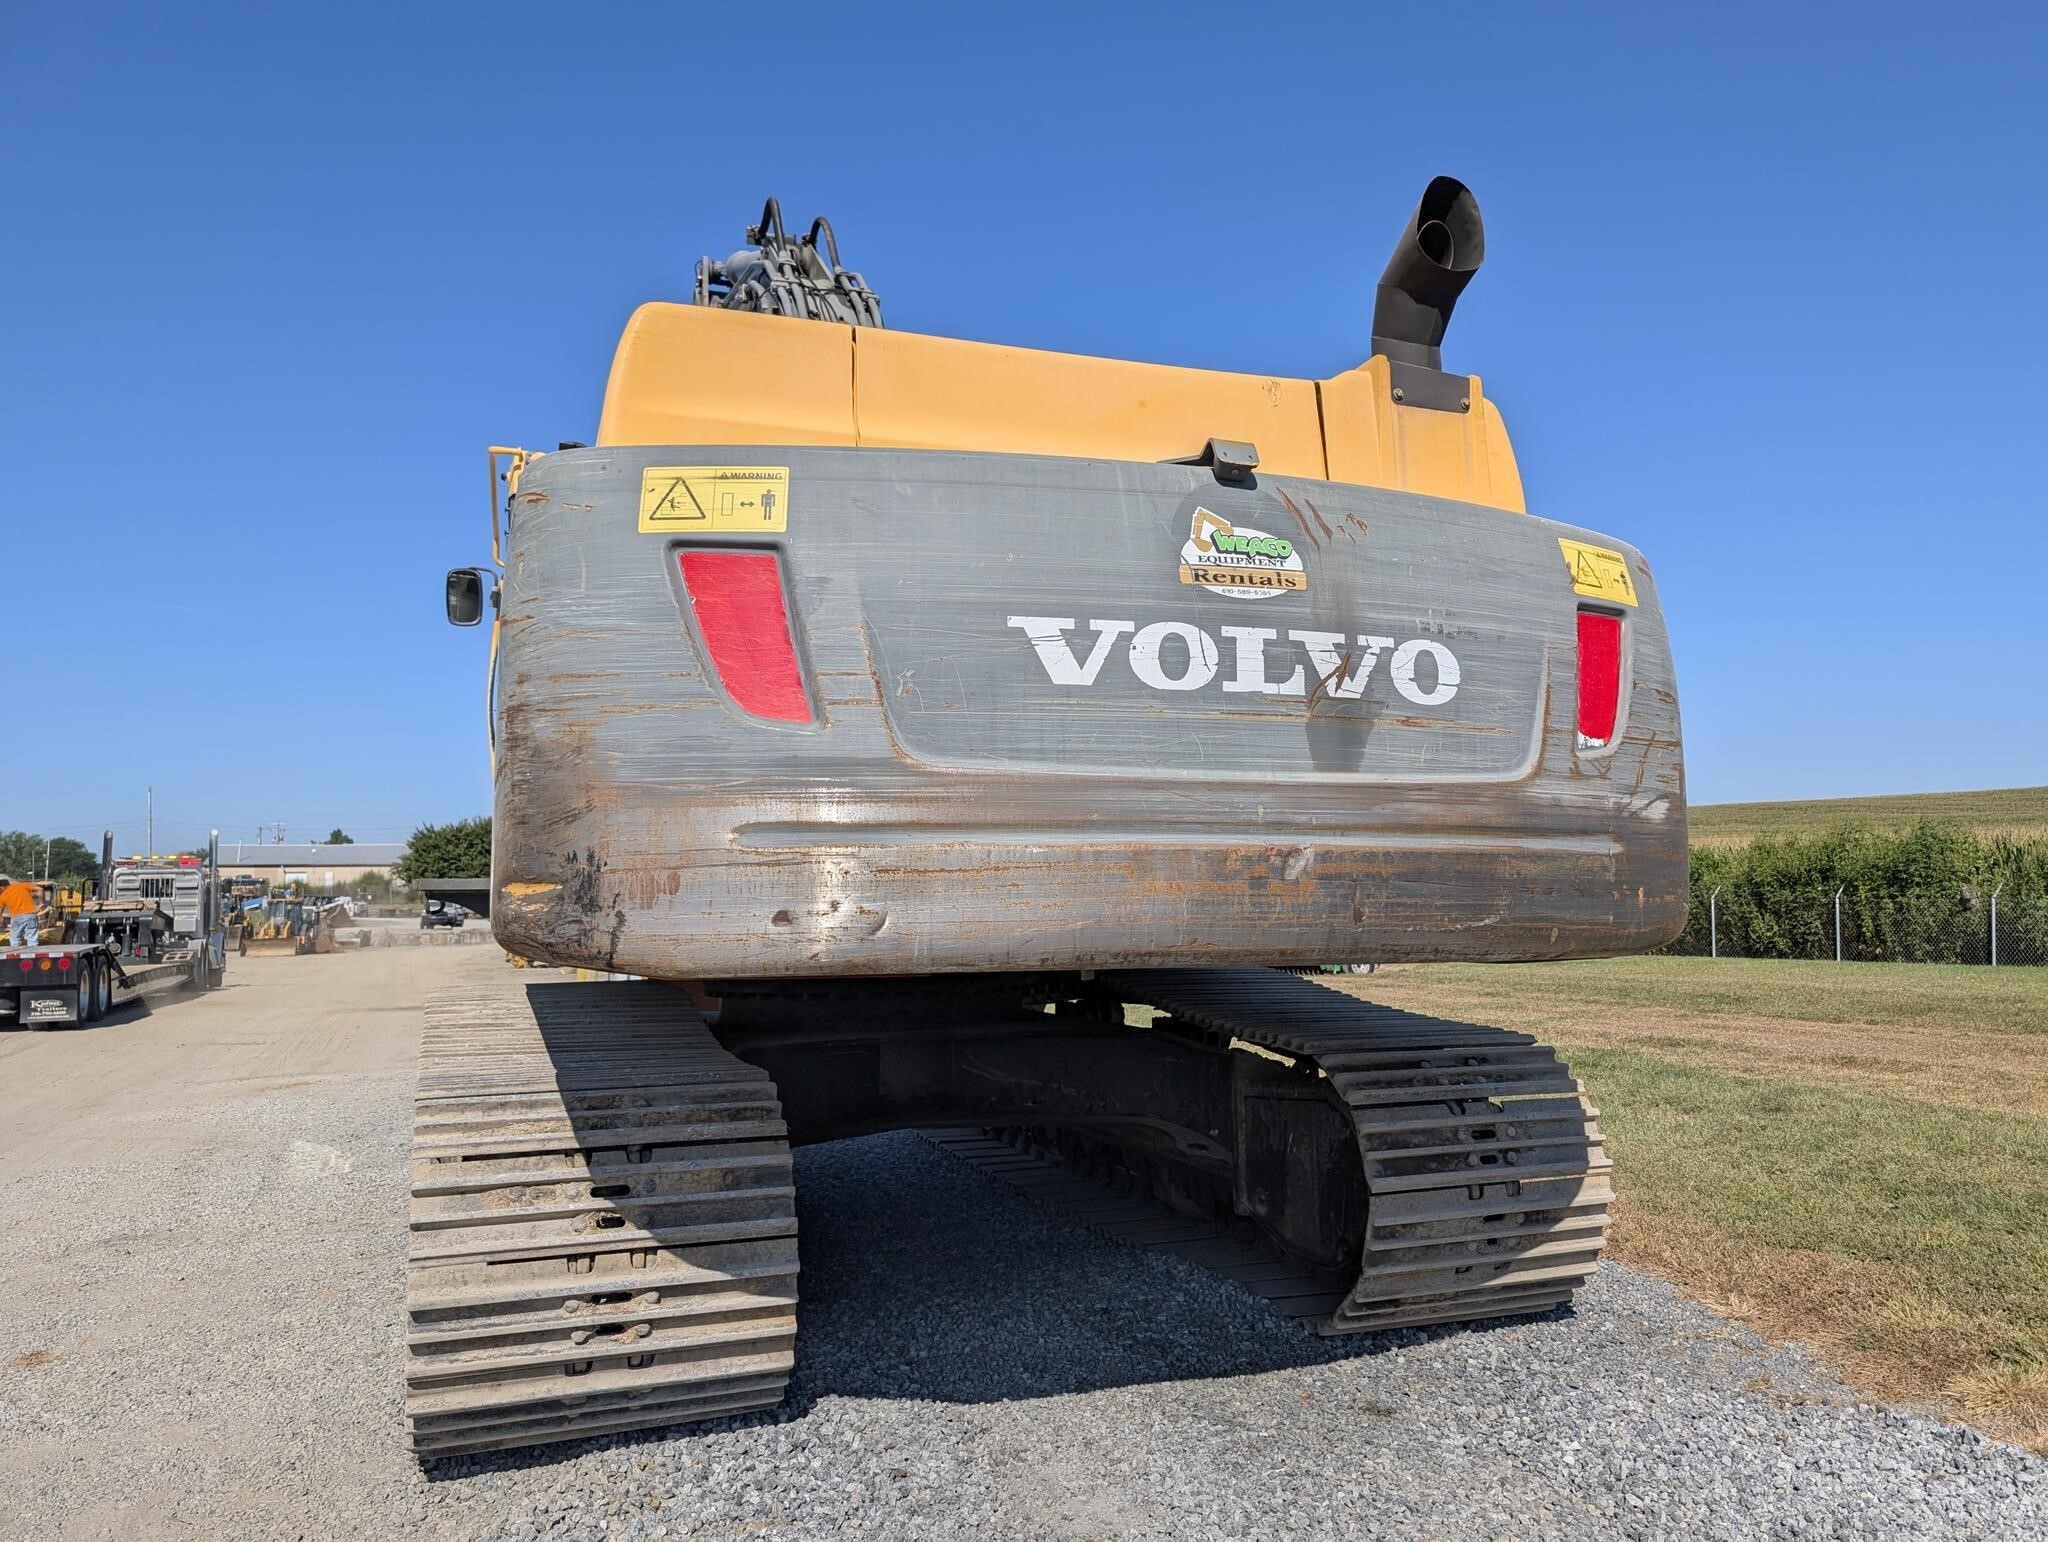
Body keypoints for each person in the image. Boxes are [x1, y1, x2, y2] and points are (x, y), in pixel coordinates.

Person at [0, 872, 40, 947]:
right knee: (32, 939)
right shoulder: (21, 886)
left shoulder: (2, 897)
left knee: (15, 941)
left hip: (17, 918)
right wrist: (40, 904)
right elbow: (39, 889)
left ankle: (15, 957)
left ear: (2, 887)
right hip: (31, 915)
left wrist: (4, 925)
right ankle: (33, 954)